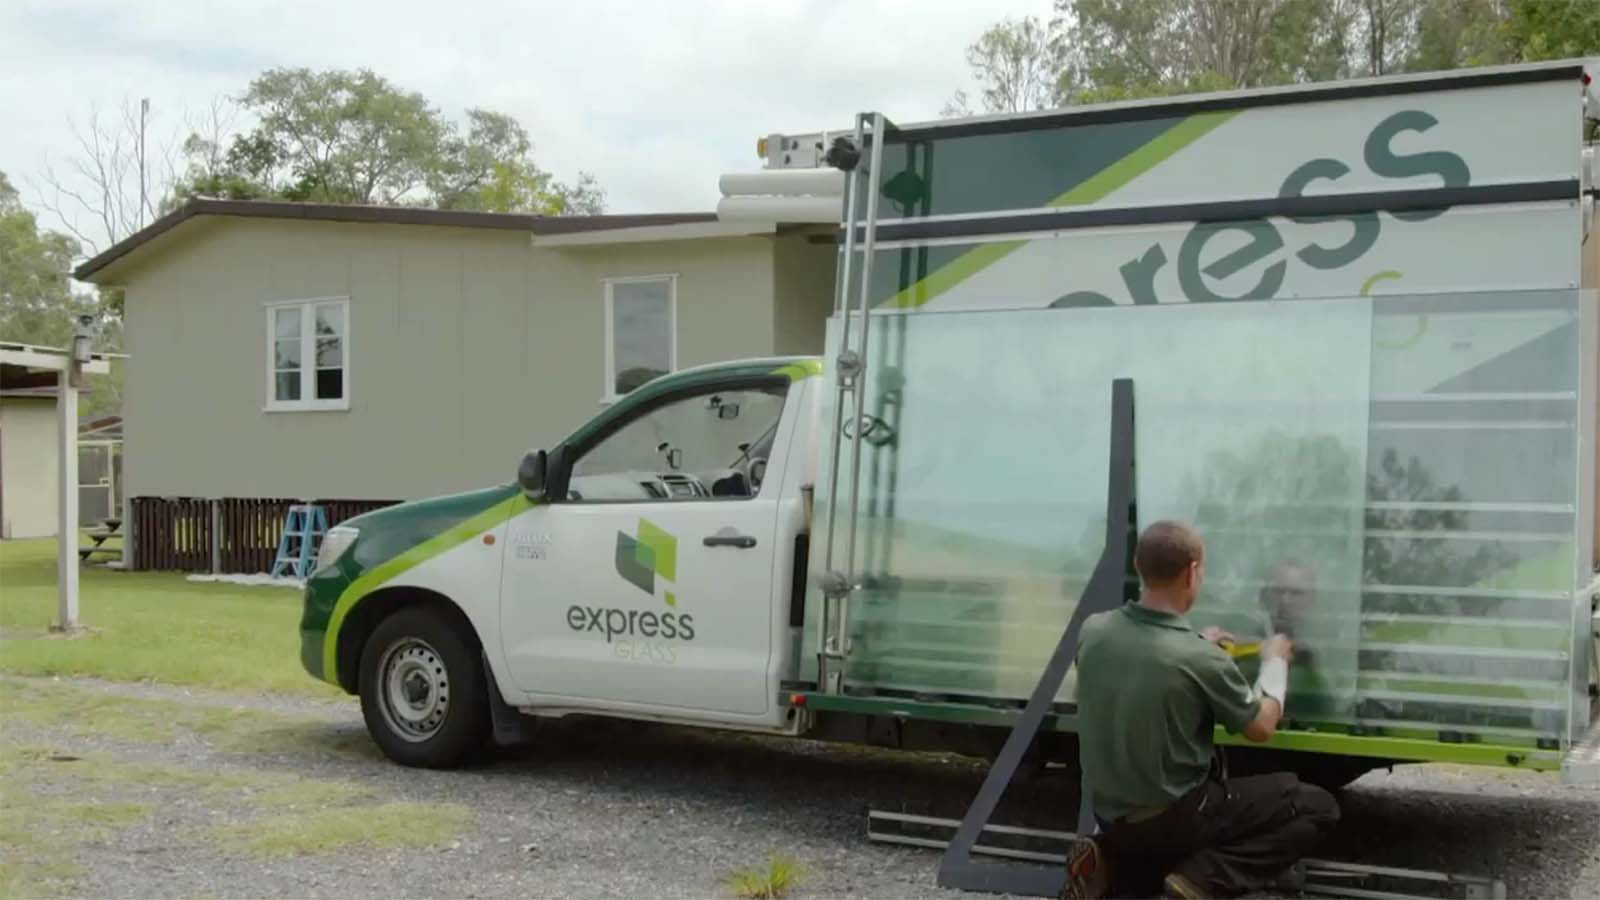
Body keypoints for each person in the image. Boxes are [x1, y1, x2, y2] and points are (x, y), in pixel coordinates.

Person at [1062, 521, 1339, 900]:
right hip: (1173, 817)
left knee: (1154, 843)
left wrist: (1196, 643)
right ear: (1192, 573)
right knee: (1316, 807)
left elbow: (1144, 662)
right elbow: (1261, 726)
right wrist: (1275, 662)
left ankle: (1113, 863)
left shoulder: (1093, 630)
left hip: (1109, 814)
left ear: (1139, 566)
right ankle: (1201, 878)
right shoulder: (1199, 658)